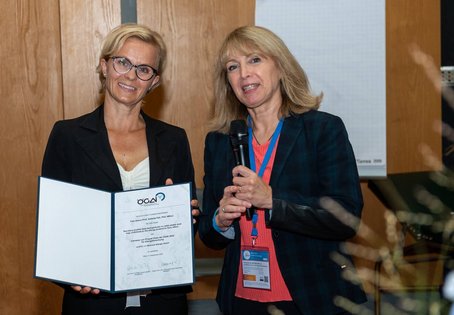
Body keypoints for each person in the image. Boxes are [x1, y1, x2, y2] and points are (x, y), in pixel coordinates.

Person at [198, 25, 367, 315]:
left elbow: (347, 216)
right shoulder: (219, 141)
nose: (244, 74)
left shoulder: (321, 129)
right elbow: (207, 234)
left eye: (254, 60)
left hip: (311, 297)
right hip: (242, 300)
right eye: (232, 67)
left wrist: (273, 201)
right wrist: (220, 220)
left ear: (280, 66)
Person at [41, 23, 198, 315]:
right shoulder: (67, 136)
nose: (131, 75)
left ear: (154, 81)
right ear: (104, 66)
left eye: (144, 69)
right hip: (92, 303)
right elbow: (54, 228)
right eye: (122, 62)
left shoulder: (174, 139)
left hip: (161, 304)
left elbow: (187, 229)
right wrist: (71, 276)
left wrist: (184, 218)